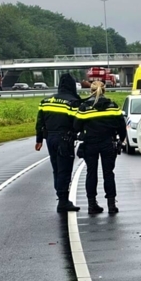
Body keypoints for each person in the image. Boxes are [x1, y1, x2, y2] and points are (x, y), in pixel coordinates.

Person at [74, 81, 126, 214]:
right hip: (107, 143)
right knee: (108, 174)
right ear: (105, 90)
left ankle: (92, 205)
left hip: (90, 144)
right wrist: (121, 140)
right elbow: (121, 125)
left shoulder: (84, 107)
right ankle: (111, 205)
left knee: (91, 173)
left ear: (90, 91)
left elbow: (76, 126)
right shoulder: (112, 106)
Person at [35, 74, 82, 213]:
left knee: (56, 168)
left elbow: (39, 122)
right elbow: (77, 124)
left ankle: (60, 195)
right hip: (65, 140)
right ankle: (63, 201)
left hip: (50, 139)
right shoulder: (73, 102)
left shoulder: (46, 101)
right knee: (65, 170)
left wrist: (38, 140)